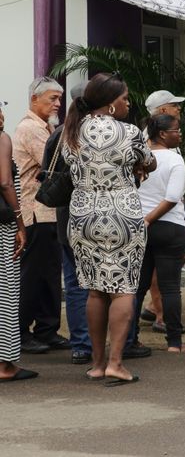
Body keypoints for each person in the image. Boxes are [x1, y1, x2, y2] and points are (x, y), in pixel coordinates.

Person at [63, 73, 157, 385]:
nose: (128, 102)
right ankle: (117, 362)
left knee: (94, 288)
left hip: (83, 213)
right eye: (124, 98)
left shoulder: (72, 130)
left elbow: (68, 163)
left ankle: (97, 362)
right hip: (122, 213)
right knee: (124, 287)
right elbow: (150, 161)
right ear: (110, 104)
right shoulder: (130, 132)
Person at [12, 77, 68, 356]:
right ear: (34, 99)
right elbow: (58, 163)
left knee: (48, 273)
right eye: (52, 99)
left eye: (59, 98)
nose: (58, 104)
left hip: (46, 213)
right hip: (35, 213)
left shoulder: (44, 127)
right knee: (33, 275)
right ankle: (21, 332)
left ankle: (47, 329)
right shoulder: (32, 129)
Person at [40, 83, 93, 365]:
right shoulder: (102, 134)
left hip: (66, 218)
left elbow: (46, 170)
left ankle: (81, 345)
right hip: (96, 216)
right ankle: (111, 342)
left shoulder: (60, 135)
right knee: (102, 284)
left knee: (74, 284)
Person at [134, 114, 185, 353]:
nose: (180, 134)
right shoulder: (174, 160)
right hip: (169, 228)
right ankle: (175, 342)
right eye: (176, 130)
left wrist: (144, 220)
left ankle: (130, 338)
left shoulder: (137, 159)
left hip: (141, 229)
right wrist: (150, 219)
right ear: (163, 134)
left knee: (138, 287)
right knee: (169, 287)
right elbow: (172, 197)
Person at [0, 101, 36, 382]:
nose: (2, 115)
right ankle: (5, 365)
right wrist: (19, 222)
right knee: (7, 291)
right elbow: (5, 182)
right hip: (1, 225)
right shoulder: (2, 138)